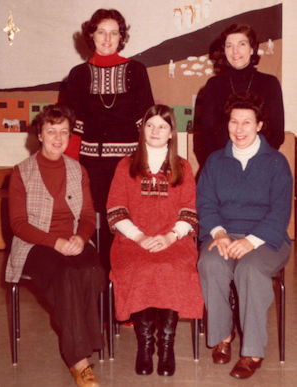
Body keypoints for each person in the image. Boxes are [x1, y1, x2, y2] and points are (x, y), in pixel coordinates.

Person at [5, 104, 106, 387]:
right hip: (36, 245)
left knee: (90, 269)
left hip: (73, 240)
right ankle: (80, 362)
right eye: (52, 131)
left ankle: (81, 343)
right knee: (66, 276)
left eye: (64, 132)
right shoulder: (21, 172)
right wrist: (55, 242)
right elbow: (19, 224)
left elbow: (87, 216)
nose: (58, 138)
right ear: (39, 134)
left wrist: (80, 238)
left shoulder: (78, 170)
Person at [196, 91, 292, 379]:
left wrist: (250, 241)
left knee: (249, 270)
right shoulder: (215, 161)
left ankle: (252, 351)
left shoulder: (276, 163)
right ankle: (223, 337)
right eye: (234, 122)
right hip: (224, 233)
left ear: (260, 125)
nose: (238, 129)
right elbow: (205, 203)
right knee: (210, 263)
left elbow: (280, 213)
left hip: (266, 239)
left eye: (246, 122)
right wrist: (220, 233)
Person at [106, 104, 204, 377]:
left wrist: (169, 236)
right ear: (142, 130)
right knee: (141, 269)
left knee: (171, 269)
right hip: (132, 240)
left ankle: (167, 346)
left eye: (162, 126)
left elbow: (189, 210)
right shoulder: (125, 165)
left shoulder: (182, 167)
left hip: (173, 240)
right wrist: (140, 237)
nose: (156, 131)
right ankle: (145, 346)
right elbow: (116, 208)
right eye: (150, 125)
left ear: (172, 132)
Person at [65, 8, 154, 271]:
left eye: (114, 33)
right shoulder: (78, 74)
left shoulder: (136, 70)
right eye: (101, 32)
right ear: (91, 35)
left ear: (121, 37)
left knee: (130, 224)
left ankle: (128, 295)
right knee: (98, 229)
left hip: (130, 164)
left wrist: (147, 166)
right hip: (92, 166)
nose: (107, 39)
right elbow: (73, 128)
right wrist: (72, 172)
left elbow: (148, 124)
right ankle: (101, 293)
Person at [194, 23, 284, 166]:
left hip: (261, 164)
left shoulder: (270, 83)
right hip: (223, 164)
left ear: (252, 49)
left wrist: (258, 164)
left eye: (241, 44)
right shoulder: (213, 85)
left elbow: (277, 134)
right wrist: (220, 166)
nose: (235, 51)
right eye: (229, 45)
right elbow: (206, 135)